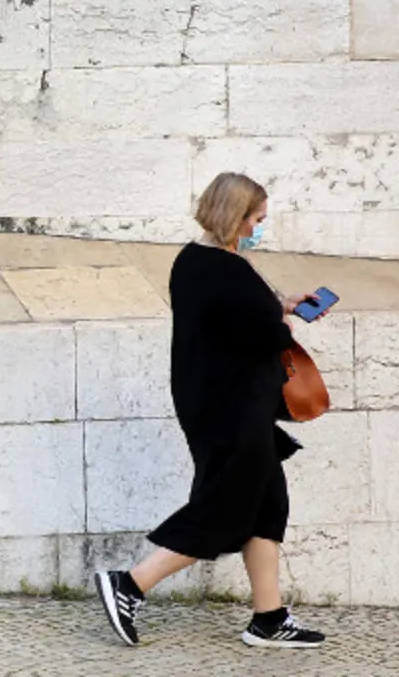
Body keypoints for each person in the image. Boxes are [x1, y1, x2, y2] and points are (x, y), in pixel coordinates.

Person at [95, 173, 328, 648]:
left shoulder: (196, 260)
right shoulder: (225, 270)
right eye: (256, 219)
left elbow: (235, 318)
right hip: (232, 411)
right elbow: (264, 334)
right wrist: (283, 324)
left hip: (225, 405)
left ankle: (269, 619)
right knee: (227, 508)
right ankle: (130, 584)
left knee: (267, 506)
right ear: (234, 216)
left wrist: (283, 304)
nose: (259, 227)